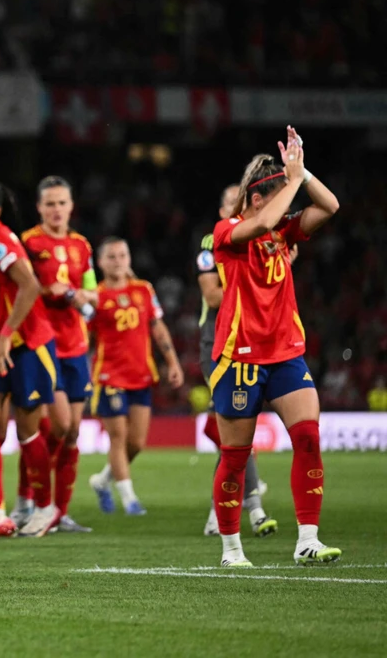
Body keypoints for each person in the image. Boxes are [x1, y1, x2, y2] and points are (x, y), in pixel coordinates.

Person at [209, 127, 341, 567]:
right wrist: (290, 180)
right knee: (235, 459)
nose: (291, 198)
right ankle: (231, 550)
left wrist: (301, 176)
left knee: (307, 438)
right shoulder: (226, 231)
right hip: (240, 357)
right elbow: (262, 223)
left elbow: (330, 206)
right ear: (258, 196)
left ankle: (308, 539)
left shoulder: (283, 233)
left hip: (286, 353)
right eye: (282, 191)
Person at [0, 180, 61, 539]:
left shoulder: (0, 241)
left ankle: (45, 506)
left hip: (27, 343)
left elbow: (30, 286)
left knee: (29, 431)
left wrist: (5, 336)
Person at [199, 185, 280, 538]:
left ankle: (226, 511)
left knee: (240, 429)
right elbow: (213, 296)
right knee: (235, 426)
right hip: (218, 342)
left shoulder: (267, 241)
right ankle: (251, 510)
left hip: (256, 341)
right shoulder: (209, 244)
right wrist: (253, 282)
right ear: (222, 212)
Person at [17, 176, 96, 533]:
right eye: (49, 203)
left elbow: (94, 292)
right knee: (59, 425)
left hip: (77, 346)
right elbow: (22, 288)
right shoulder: (29, 242)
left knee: (73, 432)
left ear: (71, 206)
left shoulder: (82, 245)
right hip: (43, 344)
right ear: (39, 207)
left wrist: (81, 295)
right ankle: (31, 498)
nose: (56, 209)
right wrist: (51, 289)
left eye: (62, 203)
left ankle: (58, 512)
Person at [86, 238, 184, 515]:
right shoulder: (95, 295)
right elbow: (84, 337)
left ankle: (102, 481)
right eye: (112, 257)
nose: (118, 261)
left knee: (136, 443)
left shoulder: (144, 290)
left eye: (123, 255)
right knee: (118, 438)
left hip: (141, 374)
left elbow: (158, 327)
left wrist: (172, 362)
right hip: (109, 376)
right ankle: (129, 499)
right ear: (101, 263)